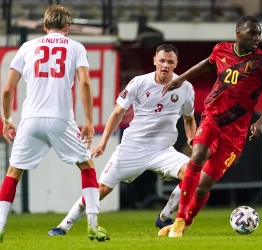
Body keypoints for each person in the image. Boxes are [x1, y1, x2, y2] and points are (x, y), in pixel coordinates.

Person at [47, 44, 197, 236]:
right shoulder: (139, 83)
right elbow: (118, 113)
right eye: (161, 61)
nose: (165, 65)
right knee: (100, 189)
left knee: (194, 175)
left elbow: (189, 119)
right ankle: (63, 226)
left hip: (163, 150)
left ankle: (165, 216)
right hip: (132, 149)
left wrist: (192, 139)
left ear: (176, 63)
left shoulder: (186, 87)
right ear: (154, 61)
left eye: (170, 62)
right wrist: (103, 143)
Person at [158, 15, 262, 237]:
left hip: (235, 135)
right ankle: (177, 220)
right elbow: (208, 63)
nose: (256, 38)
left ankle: (186, 223)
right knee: (197, 156)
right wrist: (182, 78)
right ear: (238, 32)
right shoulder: (221, 49)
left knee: (203, 186)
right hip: (212, 119)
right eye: (252, 33)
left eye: (259, 34)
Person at [0, 5, 109, 243]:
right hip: (60, 119)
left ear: (44, 26)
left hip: (30, 120)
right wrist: (89, 121)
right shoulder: (76, 47)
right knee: (86, 165)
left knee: (13, 172)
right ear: (68, 27)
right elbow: (85, 84)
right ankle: (92, 225)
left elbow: (8, 89)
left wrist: (7, 120)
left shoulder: (27, 47)